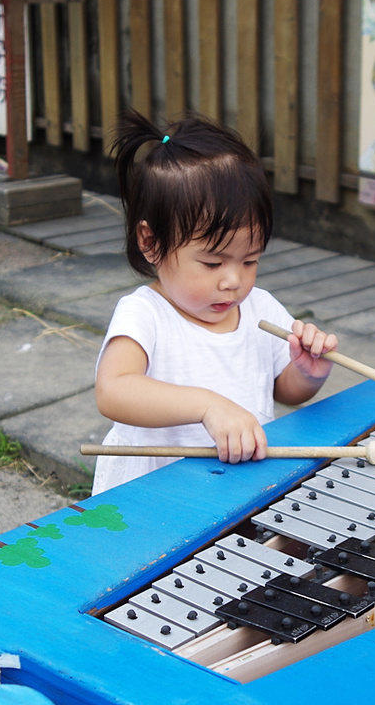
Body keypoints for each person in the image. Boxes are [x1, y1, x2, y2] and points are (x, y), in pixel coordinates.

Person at [91, 111, 338, 494]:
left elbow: (283, 390)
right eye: (212, 262)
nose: (234, 280)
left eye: (251, 260)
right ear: (150, 242)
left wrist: (307, 372)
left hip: (238, 488)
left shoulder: (260, 309)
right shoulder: (145, 314)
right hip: (155, 495)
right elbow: (113, 390)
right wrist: (208, 405)